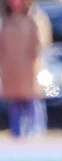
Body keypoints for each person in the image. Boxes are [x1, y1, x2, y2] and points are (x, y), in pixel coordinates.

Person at [0, 0, 47, 137]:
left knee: (32, 101)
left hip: (29, 69)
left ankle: (35, 131)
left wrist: (33, 59)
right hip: (11, 69)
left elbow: (40, 43)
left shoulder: (34, 18)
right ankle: (16, 133)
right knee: (14, 103)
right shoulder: (6, 20)